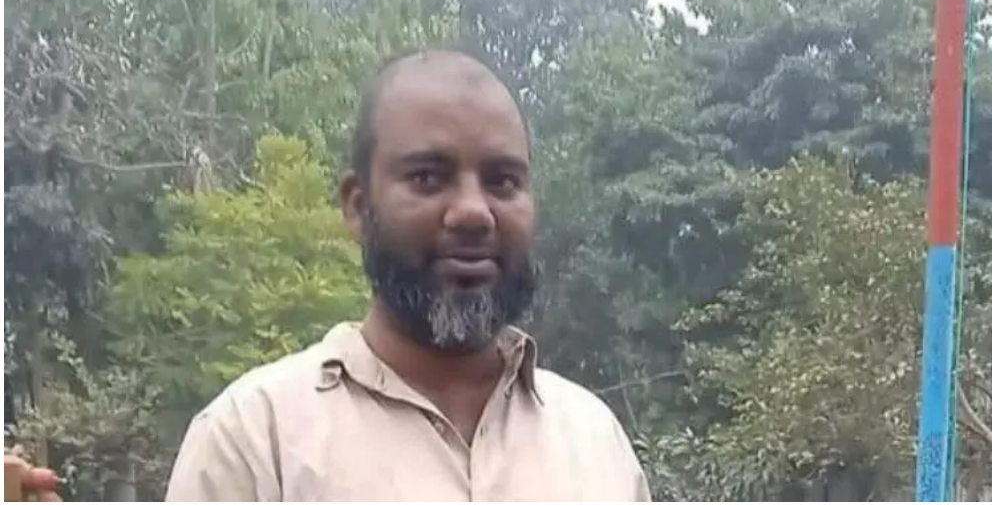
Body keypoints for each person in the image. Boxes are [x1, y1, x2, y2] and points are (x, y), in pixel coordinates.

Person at [165, 48, 651, 501]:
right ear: (357, 206)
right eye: (427, 178)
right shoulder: (253, 442)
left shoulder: (594, 442)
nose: (473, 212)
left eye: (502, 181)